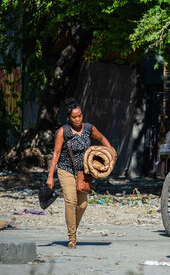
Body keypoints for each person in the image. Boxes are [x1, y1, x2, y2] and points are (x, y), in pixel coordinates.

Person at [46, 97, 116, 249]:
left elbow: (102, 138)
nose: (77, 119)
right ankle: (72, 238)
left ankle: (72, 228)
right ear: (69, 118)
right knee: (71, 201)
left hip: (83, 173)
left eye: (80, 116)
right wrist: (50, 176)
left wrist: (111, 151)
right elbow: (56, 154)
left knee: (82, 205)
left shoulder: (89, 128)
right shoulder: (63, 131)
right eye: (74, 117)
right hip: (65, 170)